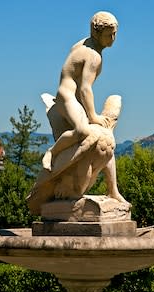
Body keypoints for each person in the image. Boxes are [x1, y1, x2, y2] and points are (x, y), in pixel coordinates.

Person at [41, 11, 126, 203]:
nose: (112, 39)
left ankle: (113, 189)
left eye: (115, 34)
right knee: (82, 130)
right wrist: (93, 116)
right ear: (97, 34)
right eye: (108, 35)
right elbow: (86, 89)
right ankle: (51, 153)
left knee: (106, 141)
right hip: (67, 96)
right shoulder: (93, 56)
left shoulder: (85, 43)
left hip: (73, 97)